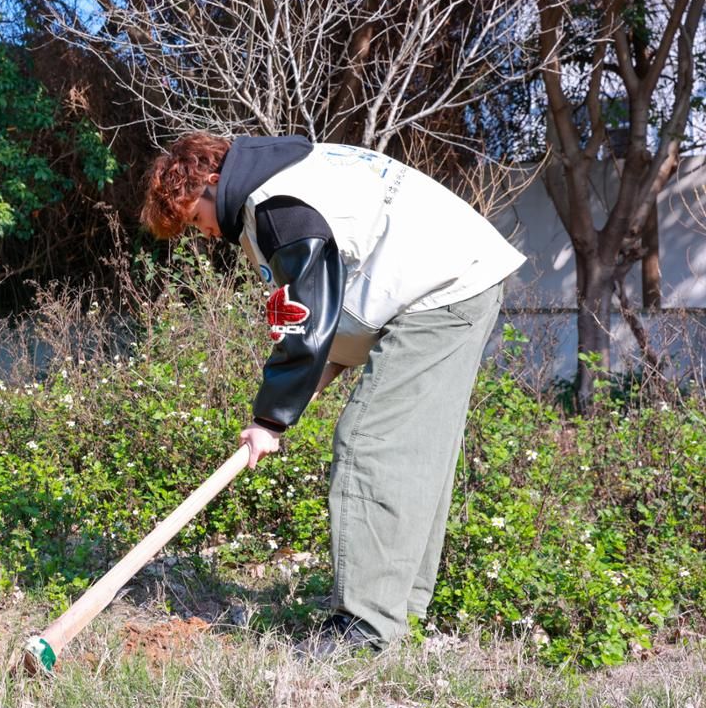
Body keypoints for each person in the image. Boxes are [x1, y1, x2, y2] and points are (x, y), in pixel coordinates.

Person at [142, 133, 525, 655]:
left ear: (212, 181)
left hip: (443, 287)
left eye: (195, 218)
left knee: (372, 444)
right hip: (456, 274)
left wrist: (269, 420)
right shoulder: (276, 177)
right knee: (415, 452)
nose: (203, 233)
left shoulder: (278, 206)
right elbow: (334, 303)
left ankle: (365, 627)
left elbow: (309, 321)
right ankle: (400, 613)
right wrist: (299, 389)